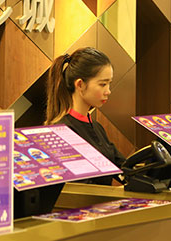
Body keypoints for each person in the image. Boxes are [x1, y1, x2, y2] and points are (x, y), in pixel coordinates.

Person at [46, 47, 125, 185]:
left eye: (109, 84)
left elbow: (123, 166)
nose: (108, 91)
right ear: (80, 85)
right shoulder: (61, 130)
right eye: (103, 84)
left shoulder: (97, 127)